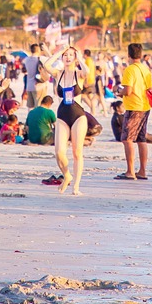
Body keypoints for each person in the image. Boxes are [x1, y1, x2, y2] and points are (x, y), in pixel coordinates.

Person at [41, 46, 90, 195]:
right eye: (65, 55)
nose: (68, 57)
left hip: (78, 115)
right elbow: (46, 65)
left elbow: (87, 72)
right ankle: (67, 174)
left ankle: (76, 186)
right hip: (62, 115)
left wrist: (79, 57)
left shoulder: (78, 74)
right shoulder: (58, 74)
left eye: (71, 55)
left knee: (77, 152)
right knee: (59, 152)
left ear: (75, 57)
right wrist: (58, 52)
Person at [115, 42, 152, 181]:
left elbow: (128, 90)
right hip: (145, 106)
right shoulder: (145, 69)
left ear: (129, 55)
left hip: (134, 106)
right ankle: (142, 171)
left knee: (127, 139)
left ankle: (130, 171)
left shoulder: (130, 69)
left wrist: (119, 92)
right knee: (141, 139)